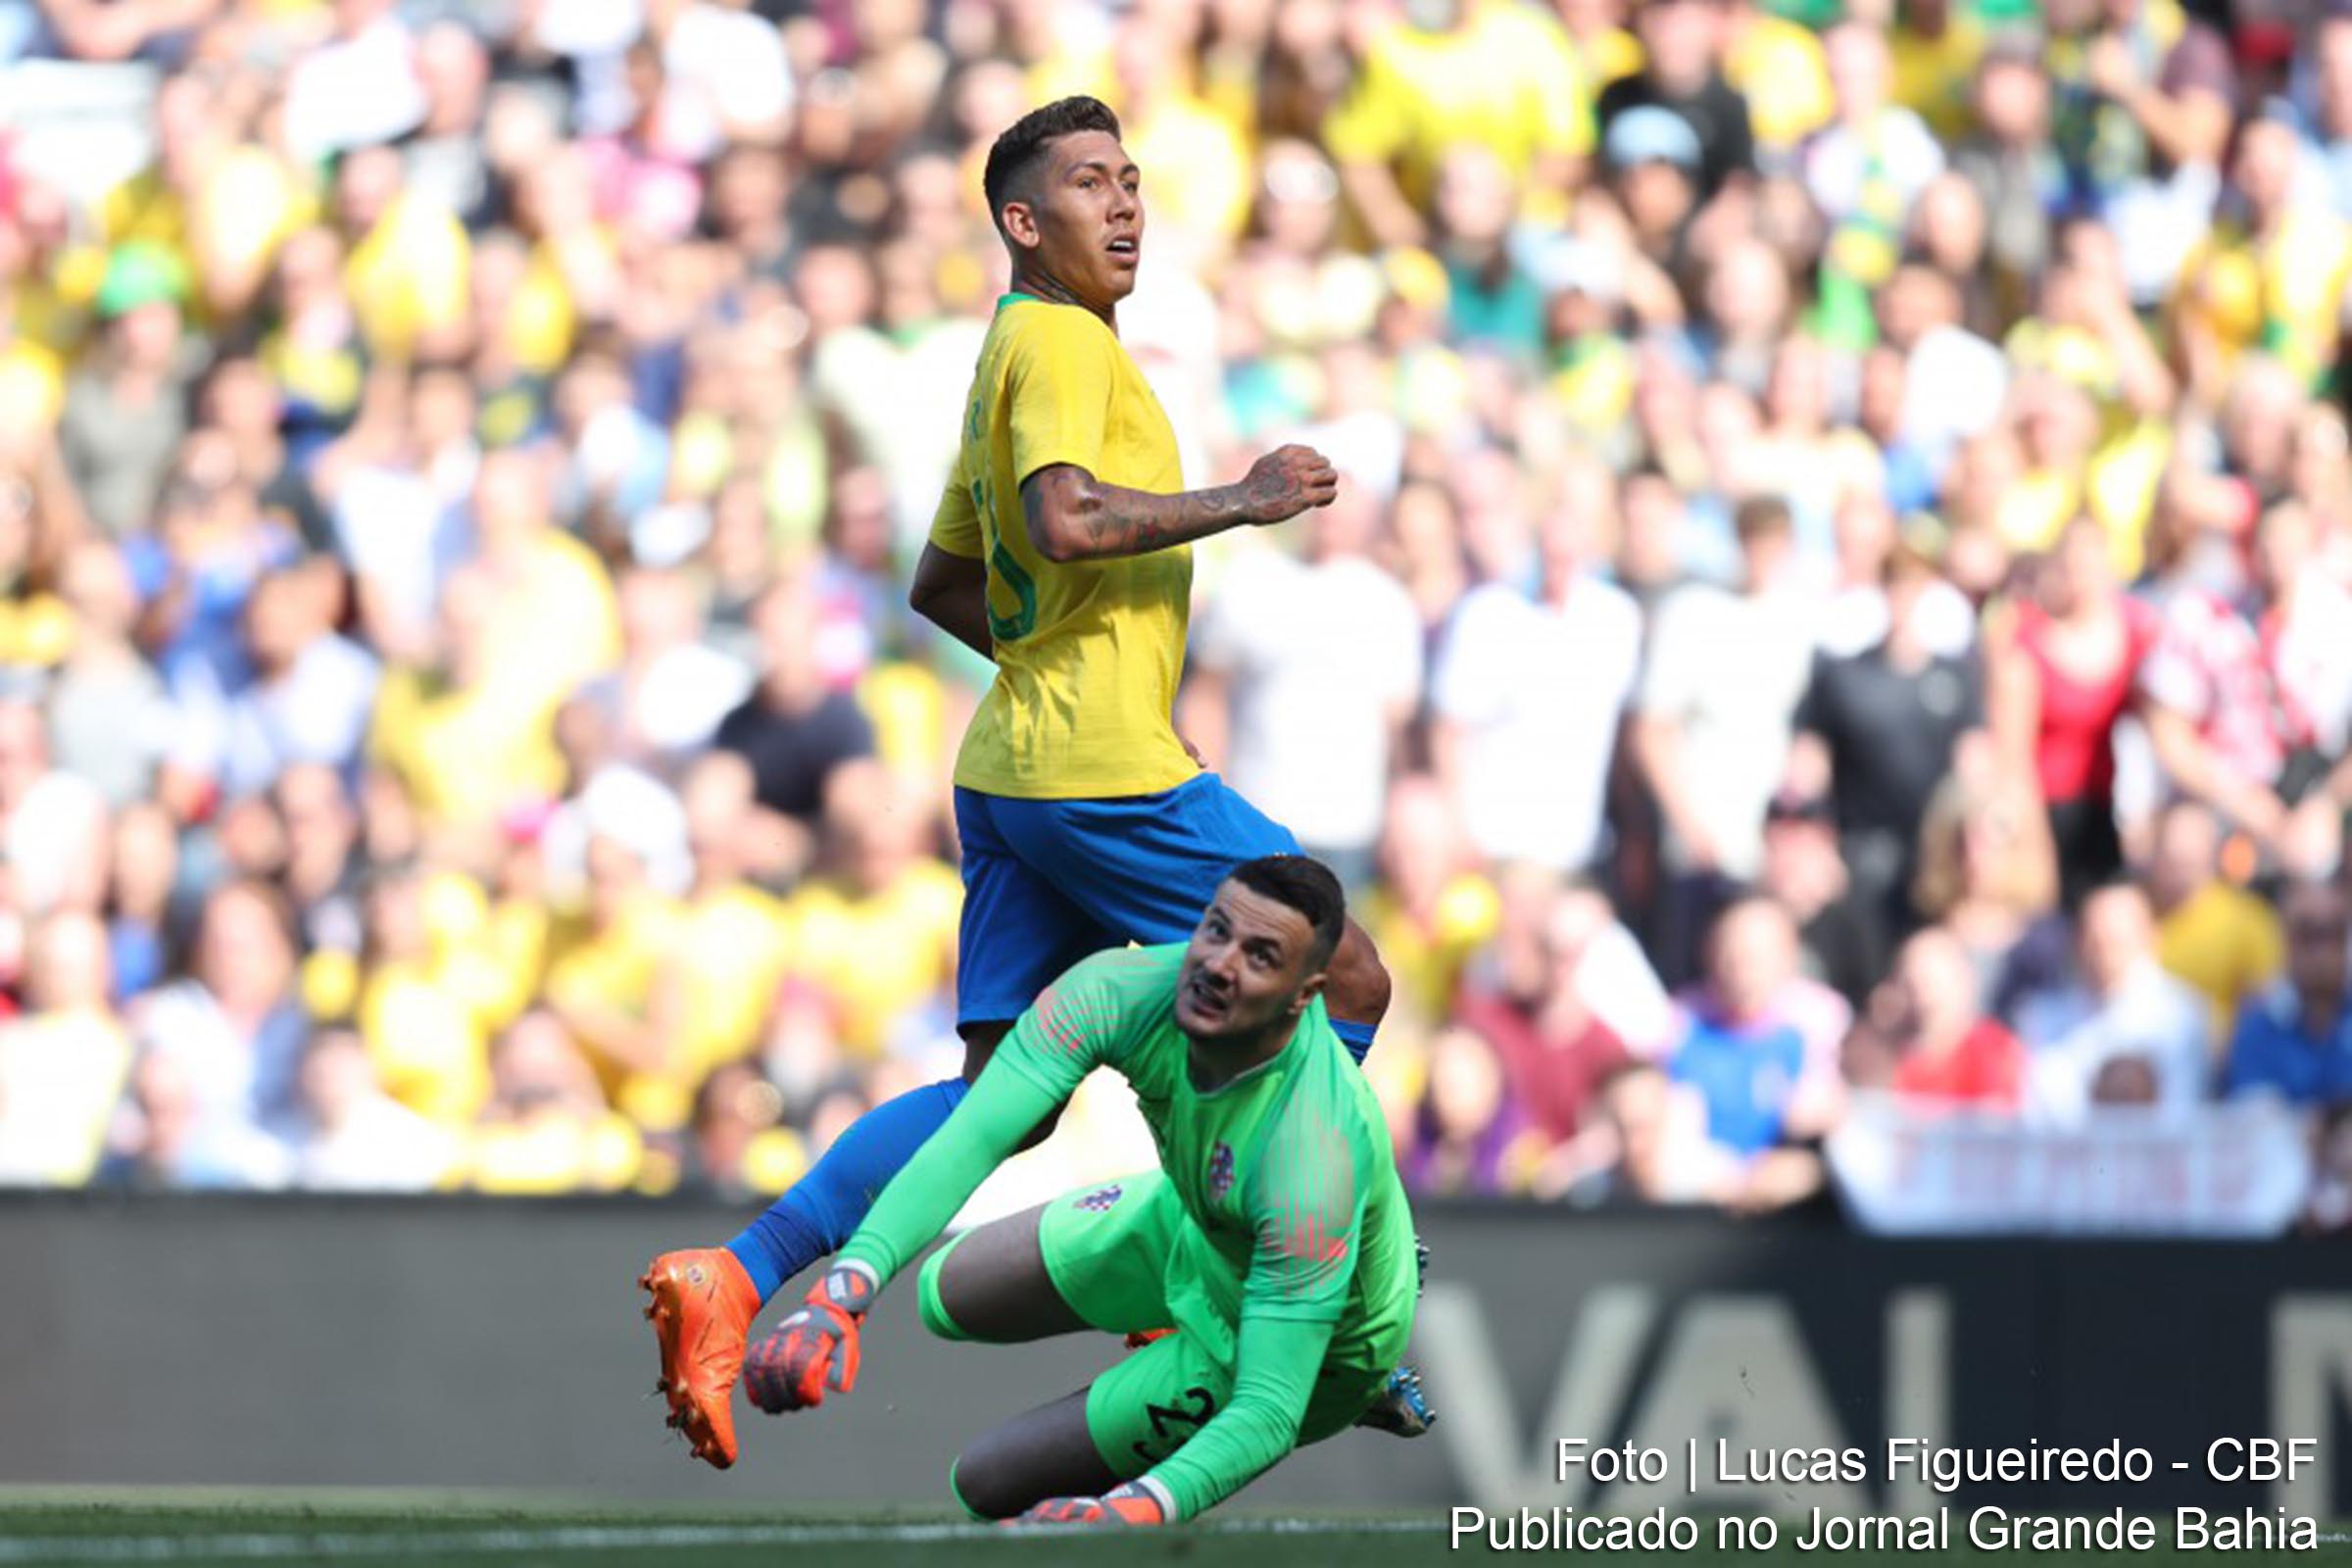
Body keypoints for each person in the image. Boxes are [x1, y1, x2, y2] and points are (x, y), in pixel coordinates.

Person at [641, 97, 1397, 1469]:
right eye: (1088, 185)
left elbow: (940, 581)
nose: (1123, 206)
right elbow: (1065, 519)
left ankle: (740, 1275)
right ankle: (1232, 1292)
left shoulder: (1011, 351)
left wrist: (1056, 665)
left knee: (1004, 1091)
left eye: (1131, 180)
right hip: (1107, 775)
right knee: (1346, 982)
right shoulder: (1055, 345)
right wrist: (1245, 496)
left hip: (1010, 772)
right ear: (1021, 221)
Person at [737, 858, 1419, 1526]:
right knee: (947, 1292)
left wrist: (1129, 1512)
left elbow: (1269, 1410)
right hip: (1194, 1223)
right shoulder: (1119, 990)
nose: (1218, 963)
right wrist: (840, 1294)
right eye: (1216, 930)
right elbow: (970, 1139)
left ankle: (1358, 1376)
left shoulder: (1312, 1156)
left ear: (1304, 997)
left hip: (1302, 1349)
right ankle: (1175, 1310)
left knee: (986, 1483)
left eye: (1261, 956)